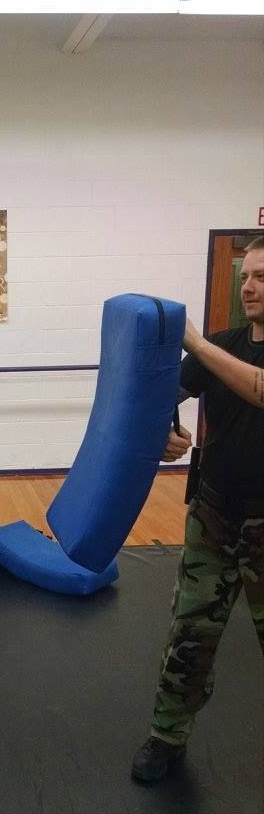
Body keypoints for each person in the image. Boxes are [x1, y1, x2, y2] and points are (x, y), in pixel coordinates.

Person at [132, 235, 264, 782]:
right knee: (189, 635)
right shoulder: (226, 343)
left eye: (262, 277)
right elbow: (164, 394)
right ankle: (167, 735)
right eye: (247, 277)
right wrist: (166, 431)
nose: (251, 287)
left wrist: (196, 342)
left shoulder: (217, 350)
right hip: (212, 516)